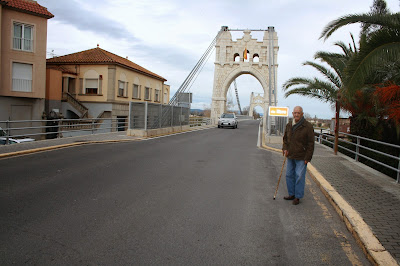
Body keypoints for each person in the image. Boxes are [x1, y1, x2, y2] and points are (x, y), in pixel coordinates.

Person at [282, 106, 315, 205]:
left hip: (301, 156)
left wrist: (308, 157)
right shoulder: (289, 125)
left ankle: (297, 196)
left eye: (298, 113)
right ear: (292, 113)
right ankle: (291, 194)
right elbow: (285, 139)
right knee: (289, 175)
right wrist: (285, 148)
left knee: (299, 176)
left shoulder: (308, 126)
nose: (296, 115)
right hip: (291, 155)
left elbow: (311, 143)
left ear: (302, 114)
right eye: (295, 113)